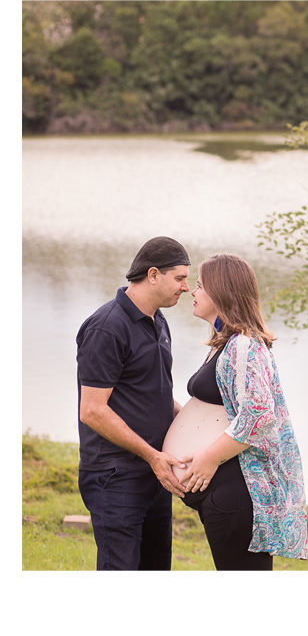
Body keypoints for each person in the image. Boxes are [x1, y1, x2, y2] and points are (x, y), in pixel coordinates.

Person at [166, 253, 307, 570]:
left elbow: (259, 418)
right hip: (225, 495)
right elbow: (224, 409)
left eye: (200, 286)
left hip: (236, 494)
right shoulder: (228, 343)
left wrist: (208, 457)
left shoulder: (244, 345)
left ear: (221, 293)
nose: (193, 291)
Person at [76, 236, 191, 571]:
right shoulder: (107, 327)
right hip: (115, 475)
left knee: (155, 570)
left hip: (155, 471)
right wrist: (152, 456)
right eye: (180, 278)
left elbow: (153, 390)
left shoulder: (158, 320)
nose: (186, 287)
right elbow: (93, 410)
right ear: (153, 275)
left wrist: (193, 426)